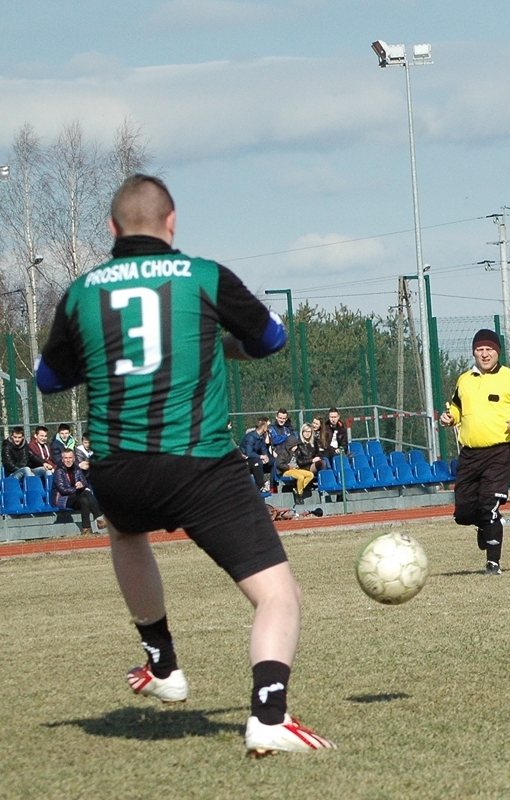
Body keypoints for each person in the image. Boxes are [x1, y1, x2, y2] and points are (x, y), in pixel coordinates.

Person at [36, 174, 334, 755]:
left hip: (117, 469)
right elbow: (272, 339)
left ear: (112, 228)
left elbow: (49, 379)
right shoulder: (203, 276)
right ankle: (269, 716)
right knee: (278, 595)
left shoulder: (82, 291)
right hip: (199, 466)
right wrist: (219, 345)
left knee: (126, 534)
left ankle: (163, 663)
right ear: (171, 222)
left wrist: (106, 359)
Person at [440, 329, 510, 574]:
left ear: (498, 352)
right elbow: (456, 407)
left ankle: (493, 563)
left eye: (489, 349)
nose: (485, 354)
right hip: (470, 454)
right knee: (463, 513)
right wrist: (450, 417)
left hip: (500, 452)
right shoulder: (464, 380)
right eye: (480, 349)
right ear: (474, 353)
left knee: (489, 504)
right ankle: (483, 525)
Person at [52, 449, 105, 535]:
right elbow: (62, 490)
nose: (68, 460)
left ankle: (86, 529)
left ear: (74, 458)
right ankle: (99, 517)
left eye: (70, 458)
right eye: (66, 458)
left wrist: (81, 484)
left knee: (84, 501)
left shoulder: (76, 468)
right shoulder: (58, 471)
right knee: (86, 492)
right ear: (62, 459)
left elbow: (84, 482)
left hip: (77, 496)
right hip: (63, 499)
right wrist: (78, 489)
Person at [240, 417, 272, 492]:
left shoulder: (261, 437)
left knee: (273, 462)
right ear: (263, 427)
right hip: (245, 459)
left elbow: (263, 448)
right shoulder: (251, 437)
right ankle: (261, 486)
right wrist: (261, 456)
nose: (269, 428)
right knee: (257, 463)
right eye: (267, 426)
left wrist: (266, 456)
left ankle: (272, 484)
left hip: (255, 457)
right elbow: (249, 453)